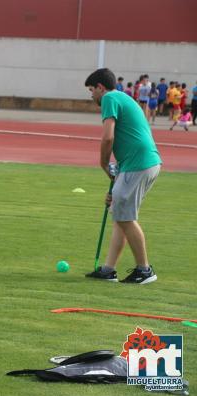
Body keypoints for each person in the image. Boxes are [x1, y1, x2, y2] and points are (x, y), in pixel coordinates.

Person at [84, 68, 162, 284]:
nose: (91, 95)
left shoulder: (109, 97)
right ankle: (109, 269)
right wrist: (117, 179)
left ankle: (145, 270)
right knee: (120, 213)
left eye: (92, 90)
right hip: (139, 163)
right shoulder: (122, 98)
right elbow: (127, 138)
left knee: (126, 217)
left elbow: (108, 138)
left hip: (139, 163)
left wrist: (102, 163)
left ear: (101, 87)